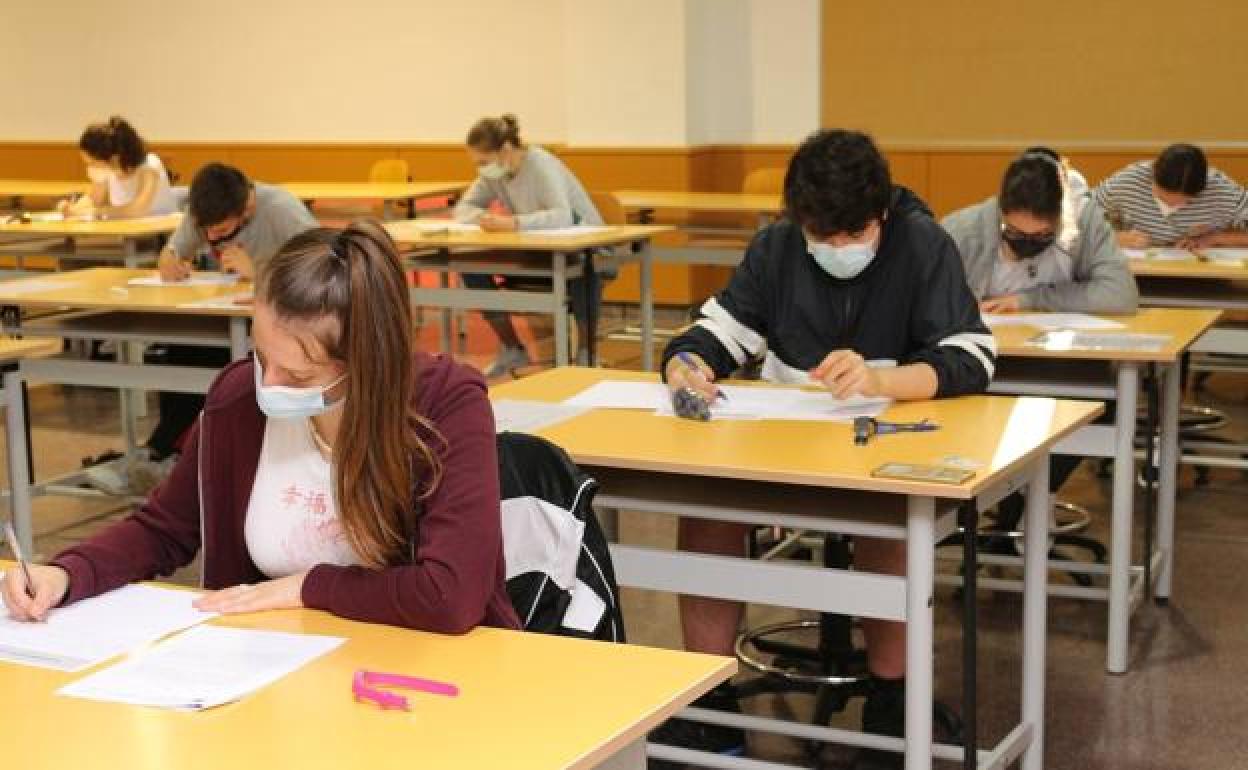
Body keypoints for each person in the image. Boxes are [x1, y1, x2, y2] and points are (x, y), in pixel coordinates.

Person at [655, 129, 996, 769]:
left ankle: (892, 699)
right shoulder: (777, 247)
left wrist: (883, 379)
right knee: (705, 502)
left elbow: (972, 355)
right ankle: (707, 703)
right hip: (783, 446)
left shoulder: (922, 246)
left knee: (892, 513)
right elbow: (716, 331)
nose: (837, 248)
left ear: (882, 214)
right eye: (822, 236)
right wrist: (688, 368)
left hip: (886, 441)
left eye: (853, 235)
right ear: (799, 218)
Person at [4, 220, 520, 635]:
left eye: (297, 374)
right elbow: (164, 528)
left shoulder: (445, 405)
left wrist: (308, 587)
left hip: (425, 678)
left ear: (367, 364)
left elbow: (449, 596)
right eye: (260, 355)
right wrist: (68, 572)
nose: (267, 383)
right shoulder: (237, 401)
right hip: (273, 667)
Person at [943, 149, 1138, 551]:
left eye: (1040, 238)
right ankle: (1008, 502)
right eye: (1016, 235)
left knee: (1101, 406)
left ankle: (1037, 495)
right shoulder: (964, 229)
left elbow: (1120, 293)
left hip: (1065, 366)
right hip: (988, 366)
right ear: (1001, 211)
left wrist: (1033, 301)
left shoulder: (1083, 224)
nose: (1027, 244)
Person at [83, 163, 317, 496]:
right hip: (228, 319)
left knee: (216, 363)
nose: (210, 238)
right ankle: (165, 452)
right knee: (179, 350)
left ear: (245, 209)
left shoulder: (283, 212)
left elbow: (323, 272)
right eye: (205, 229)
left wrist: (260, 273)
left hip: (282, 331)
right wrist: (170, 259)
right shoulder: (207, 214)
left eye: (221, 230)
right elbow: (175, 248)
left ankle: (177, 457)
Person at [452, 114, 605, 378]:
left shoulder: (541, 165)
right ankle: (512, 348)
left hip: (590, 250)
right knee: (472, 266)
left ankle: (586, 353)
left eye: (483, 162)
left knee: (583, 267)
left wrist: (513, 223)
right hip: (539, 252)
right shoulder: (495, 174)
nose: (481, 169)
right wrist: (485, 219)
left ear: (506, 150)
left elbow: (562, 215)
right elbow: (463, 209)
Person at [1094, 143, 1248, 249]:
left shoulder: (1221, 189)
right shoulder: (1129, 180)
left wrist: (1216, 238)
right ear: (1153, 173)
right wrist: (1114, 238)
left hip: (1203, 275)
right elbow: (1074, 220)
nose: (1170, 207)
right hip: (1136, 274)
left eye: (1182, 203)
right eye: (1161, 197)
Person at [60, 116, 177, 219]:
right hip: (125, 233)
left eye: (92, 163)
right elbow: (94, 201)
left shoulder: (149, 166)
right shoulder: (109, 171)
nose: (90, 168)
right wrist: (71, 209)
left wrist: (94, 212)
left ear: (113, 158)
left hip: (158, 238)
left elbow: (137, 210)